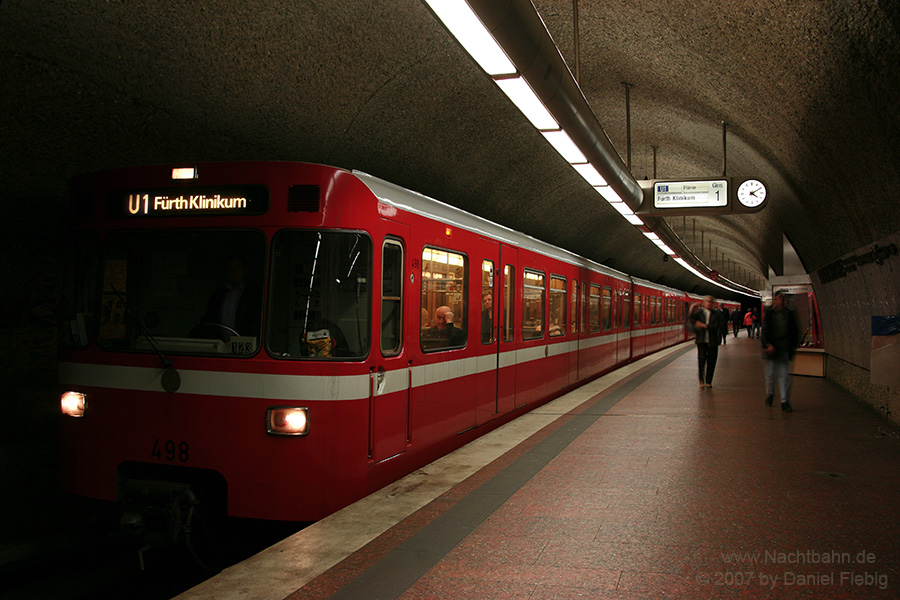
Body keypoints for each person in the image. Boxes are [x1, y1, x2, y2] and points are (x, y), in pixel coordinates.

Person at [200, 255, 261, 337]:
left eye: (237, 267)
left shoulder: (253, 293)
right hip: (220, 343)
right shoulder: (219, 294)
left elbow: (255, 321)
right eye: (230, 268)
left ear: (245, 269)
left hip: (244, 342)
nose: (233, 271)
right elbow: (210, 319)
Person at [761, 290, 800, 412]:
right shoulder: (768, 313)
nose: (780, 301)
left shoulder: (789, 314)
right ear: (774, 300)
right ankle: (770, 393)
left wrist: (792, 347)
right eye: (778, 299)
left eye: (781, 299)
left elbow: (795, 331)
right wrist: (767, 345)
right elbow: (765, 331)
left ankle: (785, 401)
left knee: (784, 376)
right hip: (771, 349)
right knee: (770, 375)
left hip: (784, 349)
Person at [688, 295, 724, 388]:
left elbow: (717, 327)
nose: (708, 303)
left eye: (710, 302)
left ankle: (708, 381)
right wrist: (692, 308)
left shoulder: (717, 314)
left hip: (713, 341)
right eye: (707, 301)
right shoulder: (699, 314)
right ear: (703, 303)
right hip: (701, 341)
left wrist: (704, 326)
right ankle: (701, 379)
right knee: (701, 360)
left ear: (713, 304)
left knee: (711, 362)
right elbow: (690, 320)